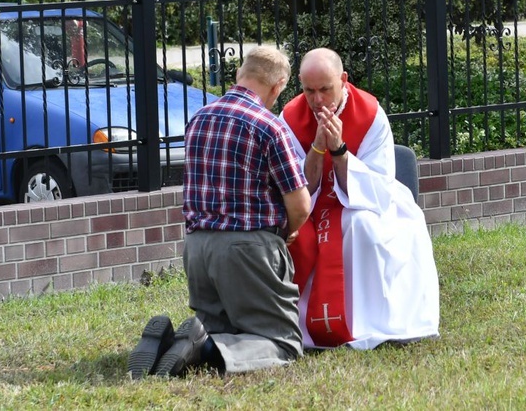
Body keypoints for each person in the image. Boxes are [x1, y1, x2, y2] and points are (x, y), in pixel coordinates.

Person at [128, 46, 311, 378]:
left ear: (240, 75)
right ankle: (204, 346)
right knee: (282, 343)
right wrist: (286, 233)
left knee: (222, 326)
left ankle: (173, 342)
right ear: (279, 85)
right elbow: (300, 205)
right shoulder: (270, 126)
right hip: (247, 249)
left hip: (198, 249)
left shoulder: (199, 119)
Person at [279, 47, 440, 350]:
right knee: (300, 239)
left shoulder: (370, 114)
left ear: (342, 79)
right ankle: (302, 329)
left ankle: (368, 324)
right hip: (310, 206)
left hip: (361, 199)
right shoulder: (289, 118)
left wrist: (339, 150)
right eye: (309, 90)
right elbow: (296, 184)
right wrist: (316, 147)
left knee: (363, 226)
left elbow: (379, 184)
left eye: (325, 89)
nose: (316, 100)